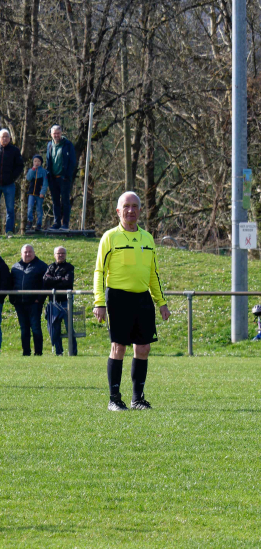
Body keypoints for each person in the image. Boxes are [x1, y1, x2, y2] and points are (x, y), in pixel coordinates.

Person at [93, 191, 170, 411]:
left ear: (140, 210)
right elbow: (99, 271)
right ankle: (114, 399)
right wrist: (99, 302)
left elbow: (153, 273)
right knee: (118, 347)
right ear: (118, 211)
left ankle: (138, 399)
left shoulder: (147, 238)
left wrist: (161, 302)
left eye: (135, 206)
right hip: (118, 297)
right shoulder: (110, 237)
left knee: (143, 348)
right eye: (126, 206)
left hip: (142, 298)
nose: (131, 210)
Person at [0, 128, 24, 237]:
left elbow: (20, 166)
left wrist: (13, 178)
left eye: (7, 136)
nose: (5, 138)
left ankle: (9, 231)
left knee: (10, 209)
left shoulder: (15, 151)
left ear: (10, 138)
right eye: (3, 137)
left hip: (9, 184)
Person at [11, 244, 48, 356]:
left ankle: (38, 352)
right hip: (20, 303)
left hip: (34, 303)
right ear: (21, 253)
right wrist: (13, 299)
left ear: (34, 253)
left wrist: (39, 299)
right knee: (24, 329)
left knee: (36, 328)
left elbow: (45, 284)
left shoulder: (42, 266)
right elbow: (11, 283)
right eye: (25, 252)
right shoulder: (15, 267)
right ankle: (26, 352)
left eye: (29, 252)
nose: (27, 254)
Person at [43, 245, 76, 355]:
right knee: (55, 328)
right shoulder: (50, 267)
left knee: (69, 328)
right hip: (53, 302)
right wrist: (59, 278)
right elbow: (45, 280)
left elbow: (68, 282)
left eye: (63, 253)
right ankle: (59, 352)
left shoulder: (69, 267)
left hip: (66, 302)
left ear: (65, 255)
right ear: (54, 255)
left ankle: (73, 351)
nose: (61, 255)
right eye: (58, 253)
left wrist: (54, 281)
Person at [45, 125, 77, 231]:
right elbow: (48, 161)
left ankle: (65, 224)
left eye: (58, 133)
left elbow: (72, 162)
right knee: (55, 202)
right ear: (51, 134)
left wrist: (67, 176)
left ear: (61, 133)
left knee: (65, 201)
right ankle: (57, 223)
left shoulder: (68, 145)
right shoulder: (49, 145)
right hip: (53, 178)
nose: (56, 135)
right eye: (54, 133)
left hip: (64, 179)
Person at [24, 155, 48, 232]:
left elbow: (45, 183)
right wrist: (33, 169)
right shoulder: (31, 170)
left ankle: (39, 224)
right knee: (30, 207)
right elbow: (28, 178)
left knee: (39, 209)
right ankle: (29, 221)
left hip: (39, 194)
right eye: (35, 161)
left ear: (41, 162)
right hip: (31, 193)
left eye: (38, 161)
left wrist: (42, 192)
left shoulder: (44, 171)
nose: (37, 163)